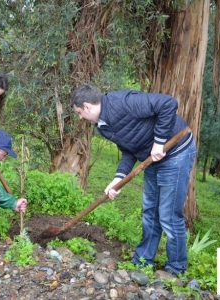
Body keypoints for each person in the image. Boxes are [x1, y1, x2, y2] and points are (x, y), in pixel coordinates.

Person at [70, 84, 197, 276]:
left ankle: (176, 269)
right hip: (152, 159)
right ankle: (144, 260)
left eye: (79, 112)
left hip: (176, 152)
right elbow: (129, 149)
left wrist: (159, 142)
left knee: (169, 215)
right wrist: (118, 178)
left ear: (87, 106)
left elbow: (168, 103)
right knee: (150, 212)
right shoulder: (103, 126)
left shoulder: (123, 102)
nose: (80, 117)